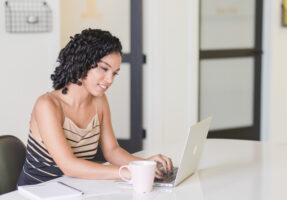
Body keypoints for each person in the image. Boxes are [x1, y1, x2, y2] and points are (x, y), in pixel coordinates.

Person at [17, 28, 173, 186]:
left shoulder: (100, 101)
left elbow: (112, 151)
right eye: (104, 69)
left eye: (114, 73)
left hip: (74, 188)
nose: (110, 79)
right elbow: (68, 166)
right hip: (37, 191)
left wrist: (144, 165)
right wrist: (128, 172)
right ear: (81, 62)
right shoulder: (47, 105)